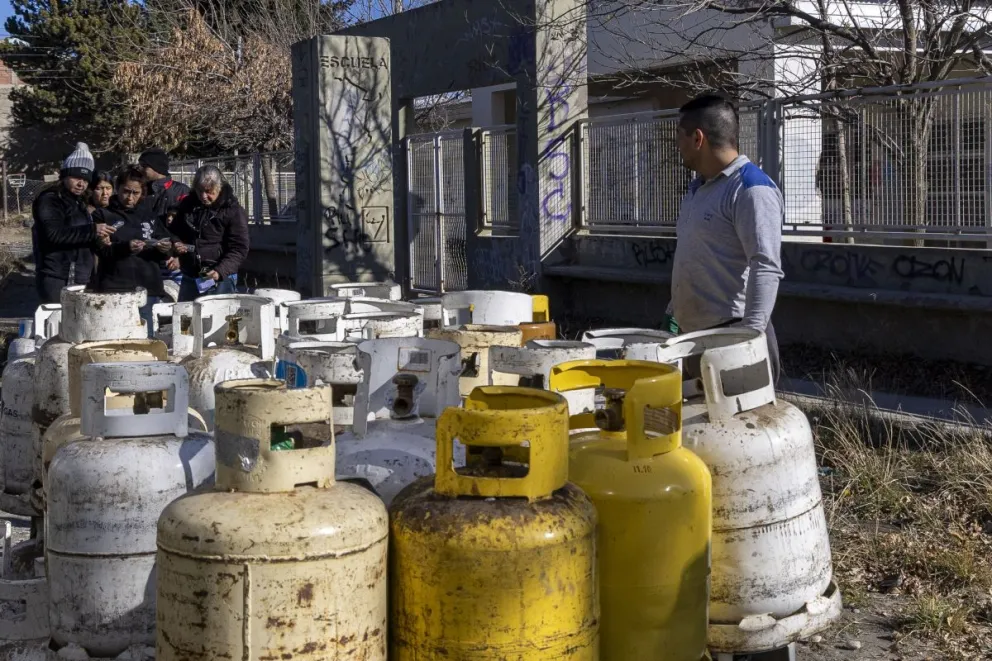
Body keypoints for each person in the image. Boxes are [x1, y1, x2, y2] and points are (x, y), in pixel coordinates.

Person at [667, 93, 785, 384]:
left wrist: (749, 339)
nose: (676, 145)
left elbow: (766, 265)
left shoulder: (751, 189)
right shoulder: (698, 189)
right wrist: (673, 312)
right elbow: (695, 255)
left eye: (679, 137)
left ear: (698, 138)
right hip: (693, 337)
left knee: (740, 426)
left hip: (732, 338)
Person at [90, 166, 172, 337]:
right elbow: (101, 250)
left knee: (144, 337)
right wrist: (125, 247)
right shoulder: (103, 215)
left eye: (135, 193)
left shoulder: (149, 215)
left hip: (146, 287)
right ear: (117, 189)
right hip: (115, 288)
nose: (130, 197)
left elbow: (165, 240)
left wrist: (166, 248)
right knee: (115, 338)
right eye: (126, 191)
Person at [31, 143, 116, 304]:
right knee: (58, 324)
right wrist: (92, 231)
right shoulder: (50, 199)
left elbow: (78, 236)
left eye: (85, 180)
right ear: (64, 175)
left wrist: (98, 239)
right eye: (77, 177)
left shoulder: (79, 203)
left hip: (79, 277)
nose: (81, 183)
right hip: (58, 278)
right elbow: (54, 234)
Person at [169, 165, 250, 302]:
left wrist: (221, 270)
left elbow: (239, 247)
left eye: (208, 191)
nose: (203, 196)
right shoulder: (187, 205)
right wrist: (176, 243)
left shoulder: (233, 210)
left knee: (218, 319)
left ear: (219, 187)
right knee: (187, 316)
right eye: (199, 191)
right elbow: (174, 231)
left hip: (219, 276)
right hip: (191, 273)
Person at [140, 148, 189, 291]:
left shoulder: (182, 192)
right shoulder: (142, 192)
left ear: (156, 167)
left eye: (144, 166)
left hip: (174, 262)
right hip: (148, 260)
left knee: (175, 304)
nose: (141, 170)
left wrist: (181, 257)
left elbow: (190, 228)